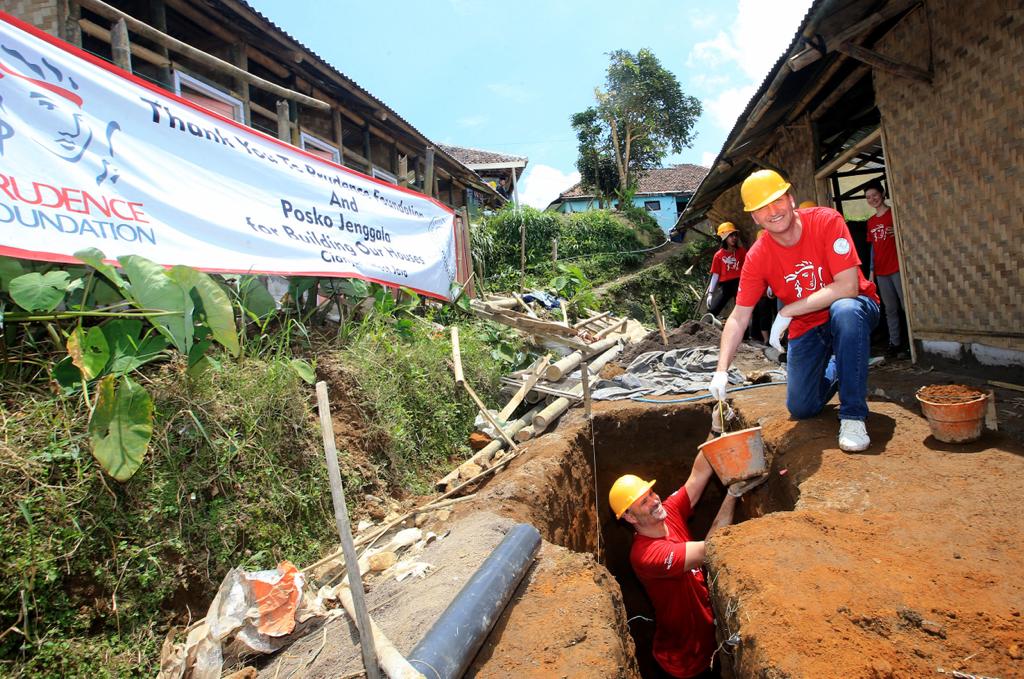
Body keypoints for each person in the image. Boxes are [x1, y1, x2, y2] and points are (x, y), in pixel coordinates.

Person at [708, 169, 880, 452]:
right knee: (802, 407)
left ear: (790, 198)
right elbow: (739, 316)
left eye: (777, 201)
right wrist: (721, 370)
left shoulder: (826, 221)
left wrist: (788, 311)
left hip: (855, 308)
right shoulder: (758, 256)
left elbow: (848, 286)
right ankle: (845, 361)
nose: (772, 211)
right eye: (762, 208)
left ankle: (852, 415)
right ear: (754, 217)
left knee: (845, 310)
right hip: (808, 326)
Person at [609, 460, 764, 679]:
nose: (655, 501)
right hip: (682, 662)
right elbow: (712, 548)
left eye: (652, 493)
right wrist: (732, 494)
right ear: (630, 517)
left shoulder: (667, 512)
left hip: (709, 642)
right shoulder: (647, 556)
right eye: (644, 502)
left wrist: (716, 430)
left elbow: (698, 475)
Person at [864, 181, 907, 358]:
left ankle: (911, 342)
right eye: (868, 197)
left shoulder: (894, 215)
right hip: (881, 271)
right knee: (890, 309)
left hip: (897, 267)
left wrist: (897, 233)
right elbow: (873, 248)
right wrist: (871, 273)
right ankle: (895, 343)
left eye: (875, 195)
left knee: (905, 307)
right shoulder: (871, 221)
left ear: (882, 193)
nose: (872, 199)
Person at [705, 222, 747, 317]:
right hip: (725, 286)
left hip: (740, 283)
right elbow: (715, 274)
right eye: (730, 236)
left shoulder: (741, 252)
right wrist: (710, 293)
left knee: (742, 313)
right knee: (712, 311)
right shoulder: (718, 255)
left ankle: (745, 332)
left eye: (735, 235)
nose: (734, 238)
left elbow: (748, 269)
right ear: (724, 237)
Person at [748, 230, 776, 344]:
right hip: (761, 291)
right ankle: (765, 339)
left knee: (777, 313)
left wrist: (772, 284)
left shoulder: (775, 253)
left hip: (775, 290)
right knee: (763, 315)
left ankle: (775, 338)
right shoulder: (755, 255)